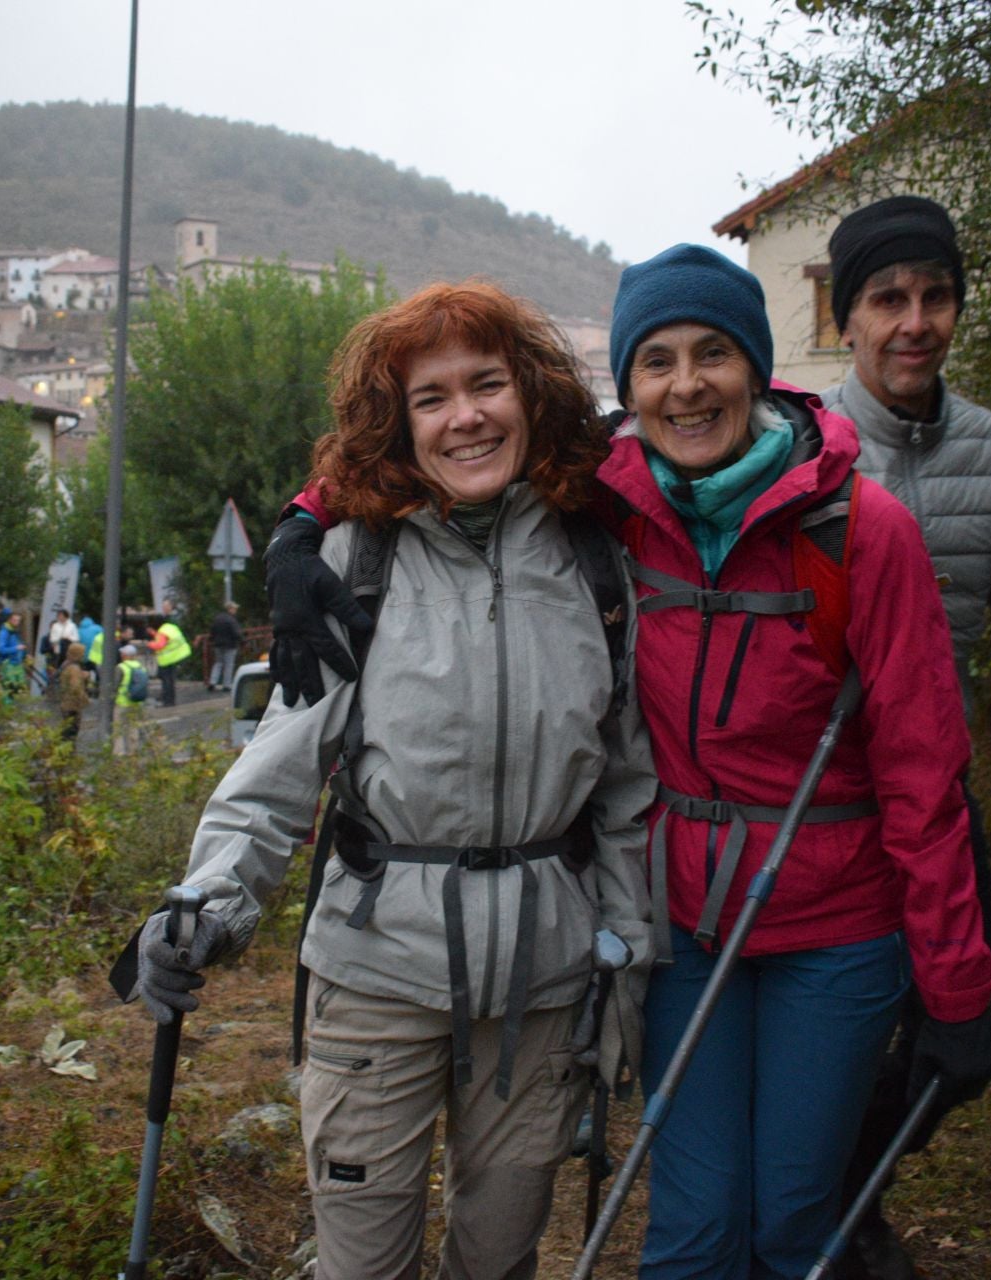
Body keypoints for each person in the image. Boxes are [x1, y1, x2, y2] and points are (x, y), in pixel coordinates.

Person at [265, 247, 991, 1278]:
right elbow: (428, 440)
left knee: (797, 1218)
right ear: (629, 384)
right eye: (656, 361)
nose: (687, 385)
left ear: (757, 366)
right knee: (694, 1226)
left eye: (714, 354)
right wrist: (302, 526)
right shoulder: (608, 500)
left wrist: (960, 985)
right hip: (680, 922)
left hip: (835, 922)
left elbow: (926, 777)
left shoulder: (859, 530)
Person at [129, 281, 655, 1280]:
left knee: (498, 1263)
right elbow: (279, 767)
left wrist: (627, 952)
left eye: (487, 384)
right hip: (377, 970)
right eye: (431, 397)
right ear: (400, 423)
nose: (466, 416)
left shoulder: (593, 557)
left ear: (531, 394)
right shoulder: (352, 560)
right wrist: (207, 901)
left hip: (544, 980)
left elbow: (624, 783)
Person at [818, 195, 991, 1278]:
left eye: (936, 297)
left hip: (933, 796)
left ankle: (850, 1189)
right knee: (832, 1030)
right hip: (811, 800)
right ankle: (821, 1216)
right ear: (848, 315)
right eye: (888, 298)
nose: (914, 322)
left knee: (963, 1042)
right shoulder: (797, 444)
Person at [112, 642, 151, 755]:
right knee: (133, 727)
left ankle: (119, 752)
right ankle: (133, 751)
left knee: (118, 728)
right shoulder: (141, 667)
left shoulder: (121, 667)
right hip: (136, 702)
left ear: (125, 655)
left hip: (122, 702)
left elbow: (115, 685)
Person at [147, 612, 191, 707]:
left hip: (168, 659)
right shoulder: (170, 627)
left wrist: (149, 644)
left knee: (167, 681)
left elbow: (160, 644)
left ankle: (168, 701)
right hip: (179, 654)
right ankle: (169, 700)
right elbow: (167, 639)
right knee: (170, 680)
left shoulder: (162, 632)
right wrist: (154, 633)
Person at [207, 602, 243, 691]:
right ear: (230, 609)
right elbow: (236, 633)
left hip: (218, 644)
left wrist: (212, 640)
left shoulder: (217, 618)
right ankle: (227, 685)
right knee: (229, 665)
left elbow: (212, 631)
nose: (235, 610)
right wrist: (242, 640)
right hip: (230, 645)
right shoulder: (232, 620)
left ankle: (212, 682)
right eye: (234, 609)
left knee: (218, 663)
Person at [0, 612, 28, 699]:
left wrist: (25, 654)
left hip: (17, 663)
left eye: (18, 620)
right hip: (8, 664)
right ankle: (9, 706)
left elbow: (19, 645)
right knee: (9, 690)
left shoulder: (15, 631)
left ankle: (18, 705)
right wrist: (16, 648)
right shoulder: (4, 632)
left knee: (20, 688)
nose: (17, 622)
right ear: (9, 620)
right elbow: (0, 649)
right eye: (15, 620)